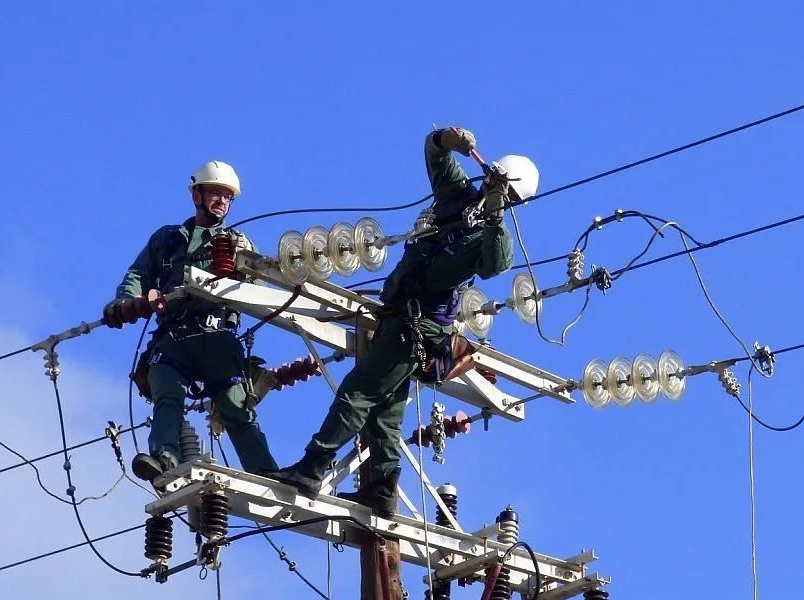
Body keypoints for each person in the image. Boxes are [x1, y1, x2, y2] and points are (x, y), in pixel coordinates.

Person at [270, 126, 539, 517]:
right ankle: (381, 491)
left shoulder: (493, 236)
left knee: (359, 391)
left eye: (503, 191)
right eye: (492, 182)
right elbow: (435, 153)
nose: (492, 189)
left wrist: (496, 216)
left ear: (512, 200)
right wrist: (448, 139)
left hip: (418, 327)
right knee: (385, 409)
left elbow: (495, 265)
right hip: (399, 315)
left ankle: (313, 467)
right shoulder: (455, 196)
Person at [103, 160, 279, 484]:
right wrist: (125, 302)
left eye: (227, 196)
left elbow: (260, 290)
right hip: (175, 336)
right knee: (167, 394)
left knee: (236, 408)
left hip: (217, 336)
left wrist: (248, 265)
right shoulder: (169, 239)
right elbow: (139, 274)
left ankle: (266, 472)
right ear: (196, 195)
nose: (222, 201)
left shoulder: (237, 242)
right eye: (215, 193)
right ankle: (164, 459)